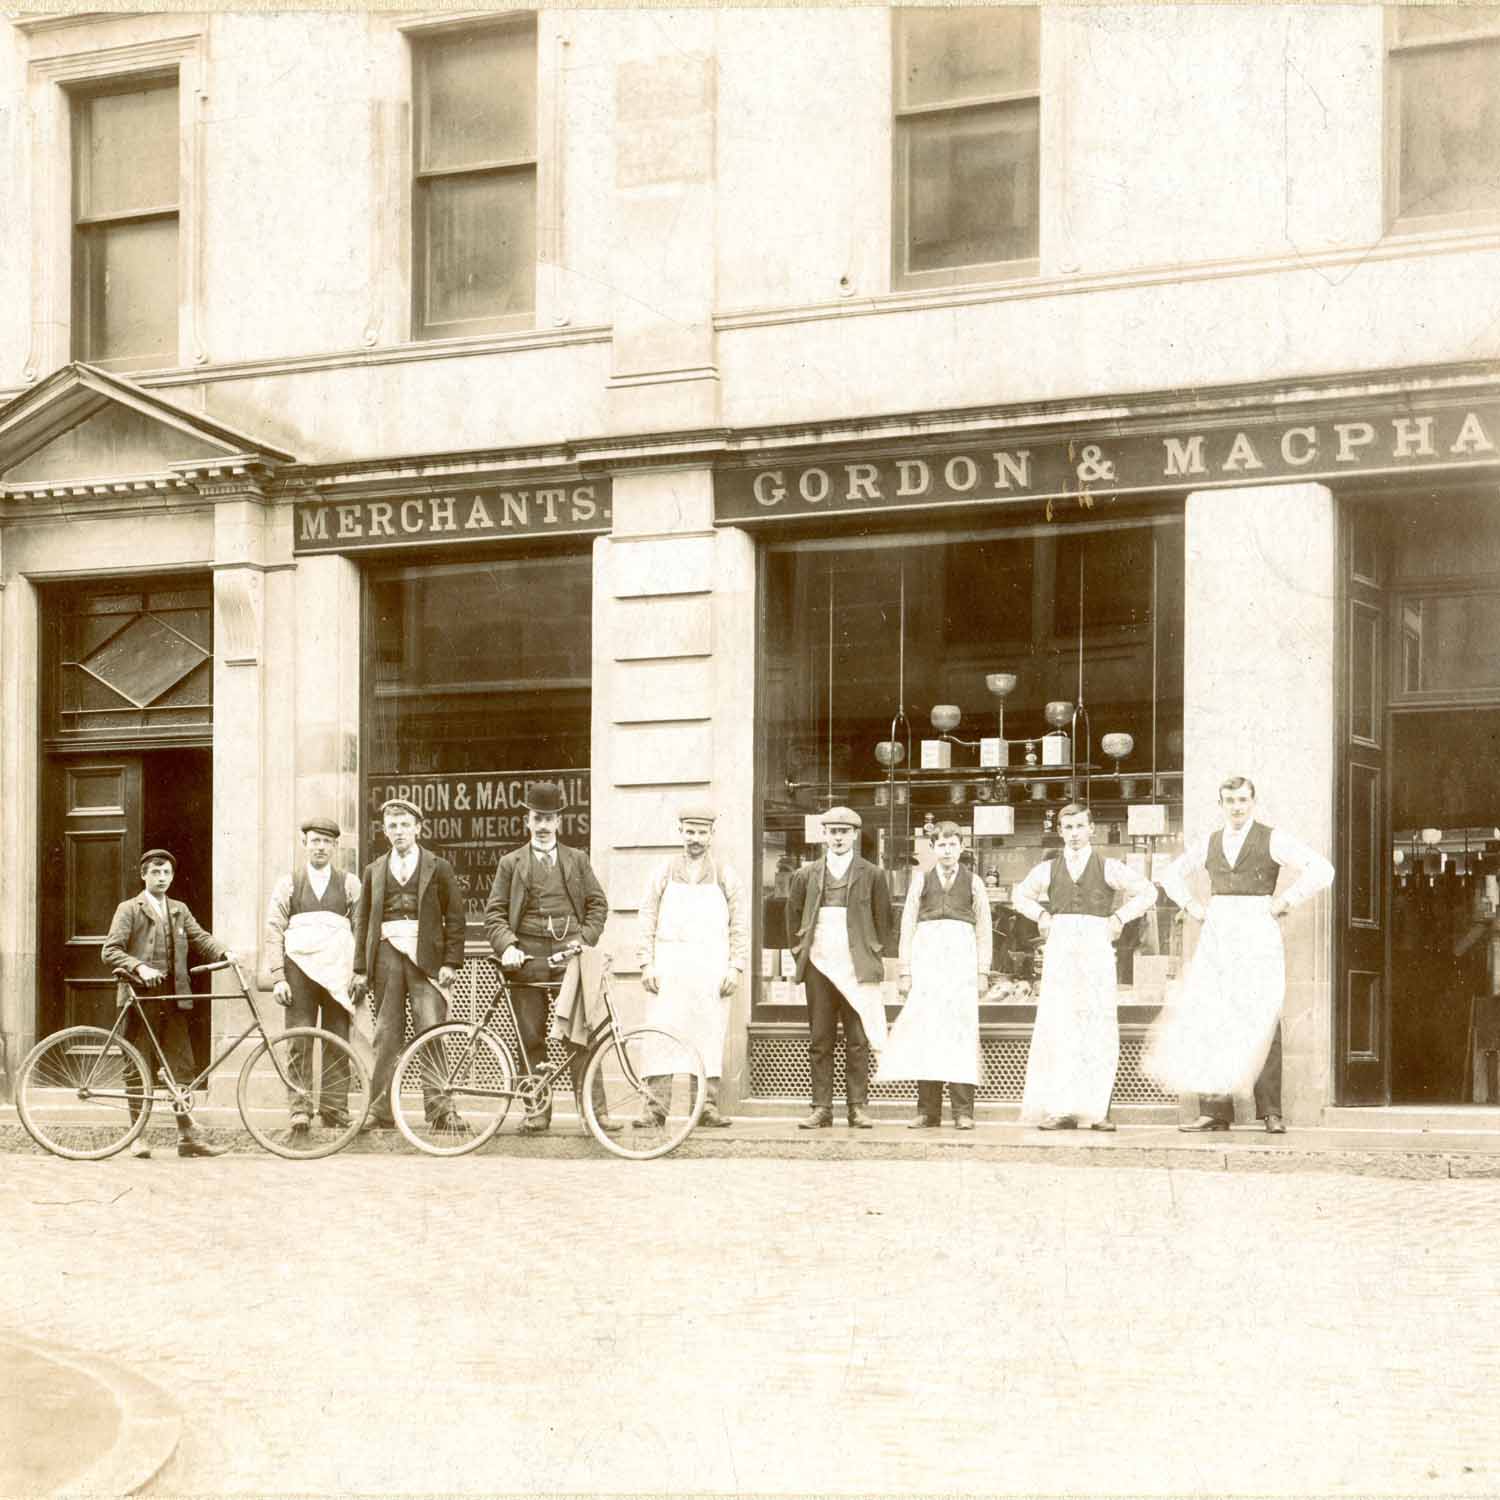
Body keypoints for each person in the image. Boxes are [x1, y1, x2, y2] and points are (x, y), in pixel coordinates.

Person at [1149, 775, 1335, 1133]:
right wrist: (1192, 906)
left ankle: (1271, 1111)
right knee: (1212, 1015)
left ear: (1253, 802)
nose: (1237, 807)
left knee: (1263, 1012)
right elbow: (1171, 875)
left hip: (1257, 931)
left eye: (1243, 800)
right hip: (1218, 931)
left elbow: (1322, 870)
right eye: (1230, 801)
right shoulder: (1209, 842)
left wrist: (1285, 901)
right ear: (1220, 804)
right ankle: (1215, 1111)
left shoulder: (1272, 838)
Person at [1012, 803, 1159, 1131]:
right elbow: (1019, 896)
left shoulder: (1109, 867)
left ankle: (1097, 1111)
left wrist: (1119, 917)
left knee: (1098, 1023)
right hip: (1061, 944)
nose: (1074, 834)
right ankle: (1061, 1109)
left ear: (1092, 829)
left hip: (1096, 944)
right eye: (1068, 827)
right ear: (1060, 831)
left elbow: (1148, 891)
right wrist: (1041, 914)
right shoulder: (1048, 869)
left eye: (1080, 826)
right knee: (1060, 1023)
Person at [483, 781, 609, 1133]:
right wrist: (508, 946)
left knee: (580, 1034)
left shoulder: (577, 860)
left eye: (548, 818)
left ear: (558, 822)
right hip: (527, 958)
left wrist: (583, 941)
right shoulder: (511, 863)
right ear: (527, 820)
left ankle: (594, 1114)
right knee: (530, 1036)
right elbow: (494, 914)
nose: (542, 825)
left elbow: (598, 905)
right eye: (536, 818)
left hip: (571, 959)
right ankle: (536, 1111)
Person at [101, 848, 234, 1159]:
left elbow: (200, 937)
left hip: (173, 997)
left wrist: (225, 953)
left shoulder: (179, 909)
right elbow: (110, 951)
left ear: (172, 877)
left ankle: (187, 1137)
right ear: (143, 875)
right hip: (139, 998)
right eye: (155, 872)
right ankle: (137, 1137)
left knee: (182, 1066)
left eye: (166, 873)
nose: (161, 878)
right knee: (137, 1066)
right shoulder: (129, 909)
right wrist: (139, 967)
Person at [353, 798, 467, 1133]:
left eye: (405, 825)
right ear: (385, 831)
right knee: (386, 1033)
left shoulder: (438, 867)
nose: (399, 831)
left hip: (426, 958)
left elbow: (455, 917)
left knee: (430, 1029)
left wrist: (450, 962)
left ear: (418, 828)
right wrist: (360, 968)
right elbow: (363, 921)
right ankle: (381, 1110)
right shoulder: (374, 870)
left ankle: (441, 1110)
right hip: (386, 956)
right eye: (393, 826)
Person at [636, 804, 749, 1128]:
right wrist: (646, 963)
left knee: (708, 1036)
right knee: (662, 1035)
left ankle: (705, 1107)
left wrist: (735, 967)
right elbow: (646, 918)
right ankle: (655, 1108)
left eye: (701, 832)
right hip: (669, 966)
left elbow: (739, 924)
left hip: (710, 968)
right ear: (680, 833)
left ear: (712, 835)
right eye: (689, 832)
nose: (695, 838)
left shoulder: (725, 875)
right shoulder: (663, 873)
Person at [877, 821, 992, 1130]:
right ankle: (928, 1111)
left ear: (962, 847)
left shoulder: (974, 883)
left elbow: (984, 930)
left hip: (961, 967)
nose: (947, 851)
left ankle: (963, 1111)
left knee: (960, 1034)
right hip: (927, 965)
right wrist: (905, 971)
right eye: (941, 845)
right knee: (927, 1034)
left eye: (953, 845)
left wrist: (982, 971)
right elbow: (907, 927)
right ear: (932, 848)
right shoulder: (920, 881)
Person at [787, 807, 894, 1130]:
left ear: (855, 835)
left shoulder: (872, 874)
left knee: (858, 1039)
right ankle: (821, 1107)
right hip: (819, 965)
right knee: (820, 1038)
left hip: (856, 966)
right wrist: (802, 954)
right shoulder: (806, 875)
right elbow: (793, 918)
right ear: (824, 835)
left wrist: (871, 955)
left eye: (844, 832)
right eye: (832, 831)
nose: (838, 838)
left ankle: (857, 1107)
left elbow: (884, 921)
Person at [265, 815, 366, 1134]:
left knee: (337, 1038)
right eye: (315, 841)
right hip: (299, 970)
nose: (320, 847)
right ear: (304, 844)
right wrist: (279, 976)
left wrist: (359, 971)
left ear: (335, 846)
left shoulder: (350, 883)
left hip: (338, 969)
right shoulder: (289, 883)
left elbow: (361, 929)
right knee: (299, 1038)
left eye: (326, 842)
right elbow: (274, 929)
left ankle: (335, 1109)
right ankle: (300, 1109)